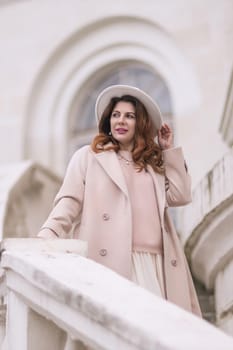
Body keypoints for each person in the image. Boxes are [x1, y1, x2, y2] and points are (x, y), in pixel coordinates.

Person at [38, 84, 202, 317]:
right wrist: (48, 234)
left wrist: (169, 151)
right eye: (116, 115)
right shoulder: (88, 156)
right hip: (113, 259)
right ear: (108, 121)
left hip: (156, 265)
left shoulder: (152, 165)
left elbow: (181, 195)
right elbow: (69, 201)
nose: (121, 121)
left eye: (129, 116)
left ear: (140, 123)